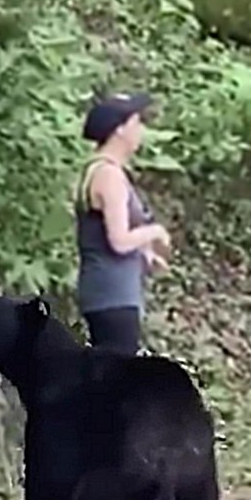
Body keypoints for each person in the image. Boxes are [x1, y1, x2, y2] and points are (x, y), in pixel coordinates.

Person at [75, 91, 172, 356]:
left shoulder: (99, 170)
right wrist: (155, 231)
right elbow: (119, 240)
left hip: (107, 292)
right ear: (119, 130)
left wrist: (145, 255)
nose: (141, 129)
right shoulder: (109, 175)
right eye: (136, 122)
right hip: (112, 295)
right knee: (117, 380)